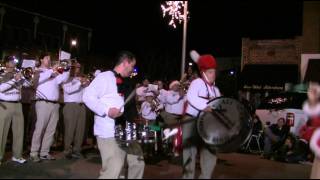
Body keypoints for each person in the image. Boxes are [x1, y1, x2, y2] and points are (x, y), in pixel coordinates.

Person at [83, 51, 145, 179]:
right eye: (132, 65)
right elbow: (87, 97)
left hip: (128, 129)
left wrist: (136, 118)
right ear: (126, 62)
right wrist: (107, 110)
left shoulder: (127, 82)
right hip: (109, 131)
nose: (133, 69)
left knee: (138, 163)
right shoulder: (104, 77)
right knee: (114, 169)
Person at [182, 50, 221, 179]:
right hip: (192, 120)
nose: (213, 74)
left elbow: (220, 105)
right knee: (189, 153)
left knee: (210, 151)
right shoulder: (197, 83)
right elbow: (191, 97)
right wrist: (207, 106)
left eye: (214, 72)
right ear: (203, 72)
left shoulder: (216, 90)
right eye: (210, 72)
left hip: (208, 123)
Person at [29, 52, 70, 162]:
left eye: (49, 58)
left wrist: (67, 68)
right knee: (40, 128)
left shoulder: (53, 72)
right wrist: (52, 70)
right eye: (47, 58)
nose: (49, 60)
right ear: (41, 60)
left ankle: (44, 152)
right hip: (43, 103)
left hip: (54, 104)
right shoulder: (37, 70)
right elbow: (37, 80)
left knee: (51, 130)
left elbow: (63, 80)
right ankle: (34, 152)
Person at [0, 56, 29, 165]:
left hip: (18, 105)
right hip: (4, 105)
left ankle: (17, 155)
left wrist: (24, 77)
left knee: (19, 131)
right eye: (11, 61)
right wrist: (14, 80)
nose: (14, 63)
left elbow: (28, 85)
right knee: (2, 132)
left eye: (14, 61)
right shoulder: (1, 74)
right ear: (6, 63)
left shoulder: (17, 74)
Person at [62, 62, 90, 159]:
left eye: (79, 67)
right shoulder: (67, 78)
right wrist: (79, 83)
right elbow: (68, 90)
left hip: (81, 105)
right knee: (70, 129)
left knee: (80, 130)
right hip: (71, 105)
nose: (78, 68)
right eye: (76, 67)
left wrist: (87, 85)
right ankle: (67, 150)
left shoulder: (82, 78)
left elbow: (86, 93)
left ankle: (77, 150)